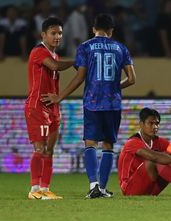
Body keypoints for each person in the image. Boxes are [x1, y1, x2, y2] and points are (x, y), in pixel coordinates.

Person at [42, 14, 136, 198]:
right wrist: (116, 86)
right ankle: (102, 188)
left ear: (93, 29)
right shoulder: (121, 48)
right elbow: (132, 79)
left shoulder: (85, 47)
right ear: (111, 31)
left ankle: (93, 185)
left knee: (90, 143)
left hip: (92, 102)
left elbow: (80, 77)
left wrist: (59, 97)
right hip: (113, 103)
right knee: (108, 145)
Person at [24, 17, 74, 200]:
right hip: (38, 107)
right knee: (40, 149)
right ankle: (34, 189)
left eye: (60, 33)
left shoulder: (56, 55)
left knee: (50, 150)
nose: (57, 36)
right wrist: (77, 63)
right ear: (43, 35)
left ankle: (45, 189)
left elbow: (56, 66)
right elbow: (55, 67)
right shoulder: (38, 51)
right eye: (53, 33)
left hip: (52, 108)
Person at [118, 108, 171, 196]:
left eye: (157, 123)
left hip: (151, 188)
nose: (155, 127)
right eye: (151, 123)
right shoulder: (132, 142)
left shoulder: (158, 141)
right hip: (130, 189)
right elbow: (154, 157)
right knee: (157, 161)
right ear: (141, 124)